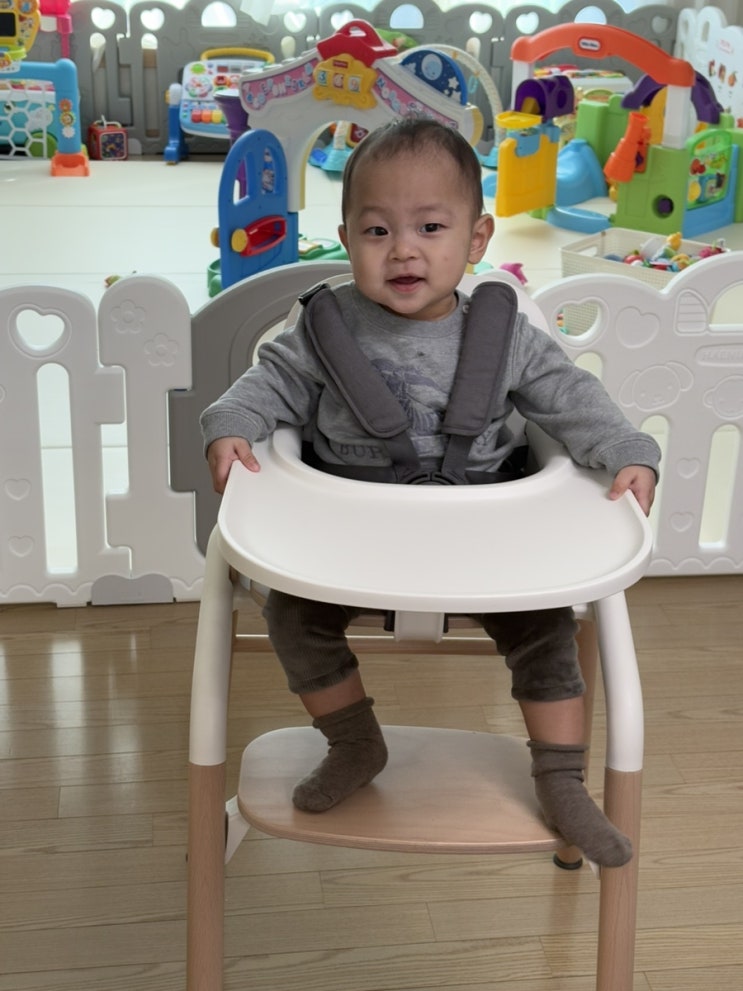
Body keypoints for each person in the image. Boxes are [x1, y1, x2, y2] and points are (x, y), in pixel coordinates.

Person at [201, 117, 660, 868]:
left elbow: (569, 396)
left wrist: (626, 450)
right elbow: (268, 383)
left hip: (484, 538)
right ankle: (354, 742)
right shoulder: (323, 329)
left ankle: (560, 778)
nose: (403, 250)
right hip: (349, 538)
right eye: (377, 230)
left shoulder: (503, 334)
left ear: (476, 240)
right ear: (345, 238)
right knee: (292, 616)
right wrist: (230, 426)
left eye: (430, 227)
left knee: (546, 632)